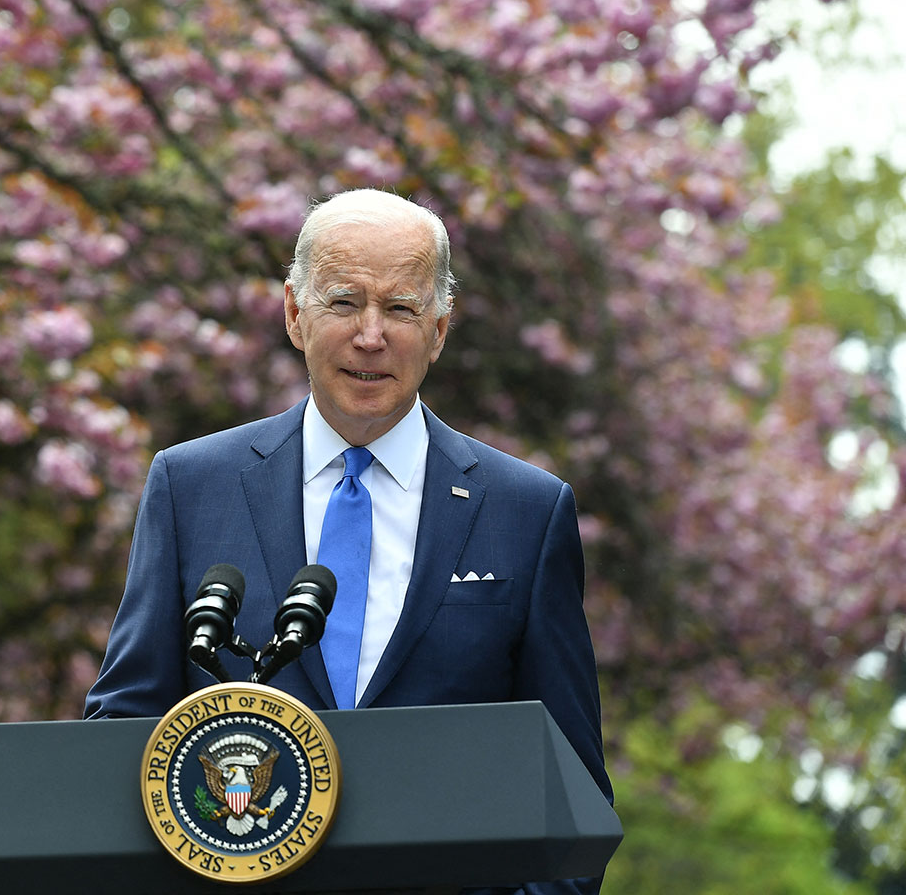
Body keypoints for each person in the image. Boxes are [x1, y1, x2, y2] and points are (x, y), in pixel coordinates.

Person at [84, 188, 610, 895]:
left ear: (440, 329)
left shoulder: (527, 512)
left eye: (400, 308)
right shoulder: (190, 487)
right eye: (343, 302)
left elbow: (570, 795)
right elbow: (123, 733)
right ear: (295, 314)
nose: (371, 335)